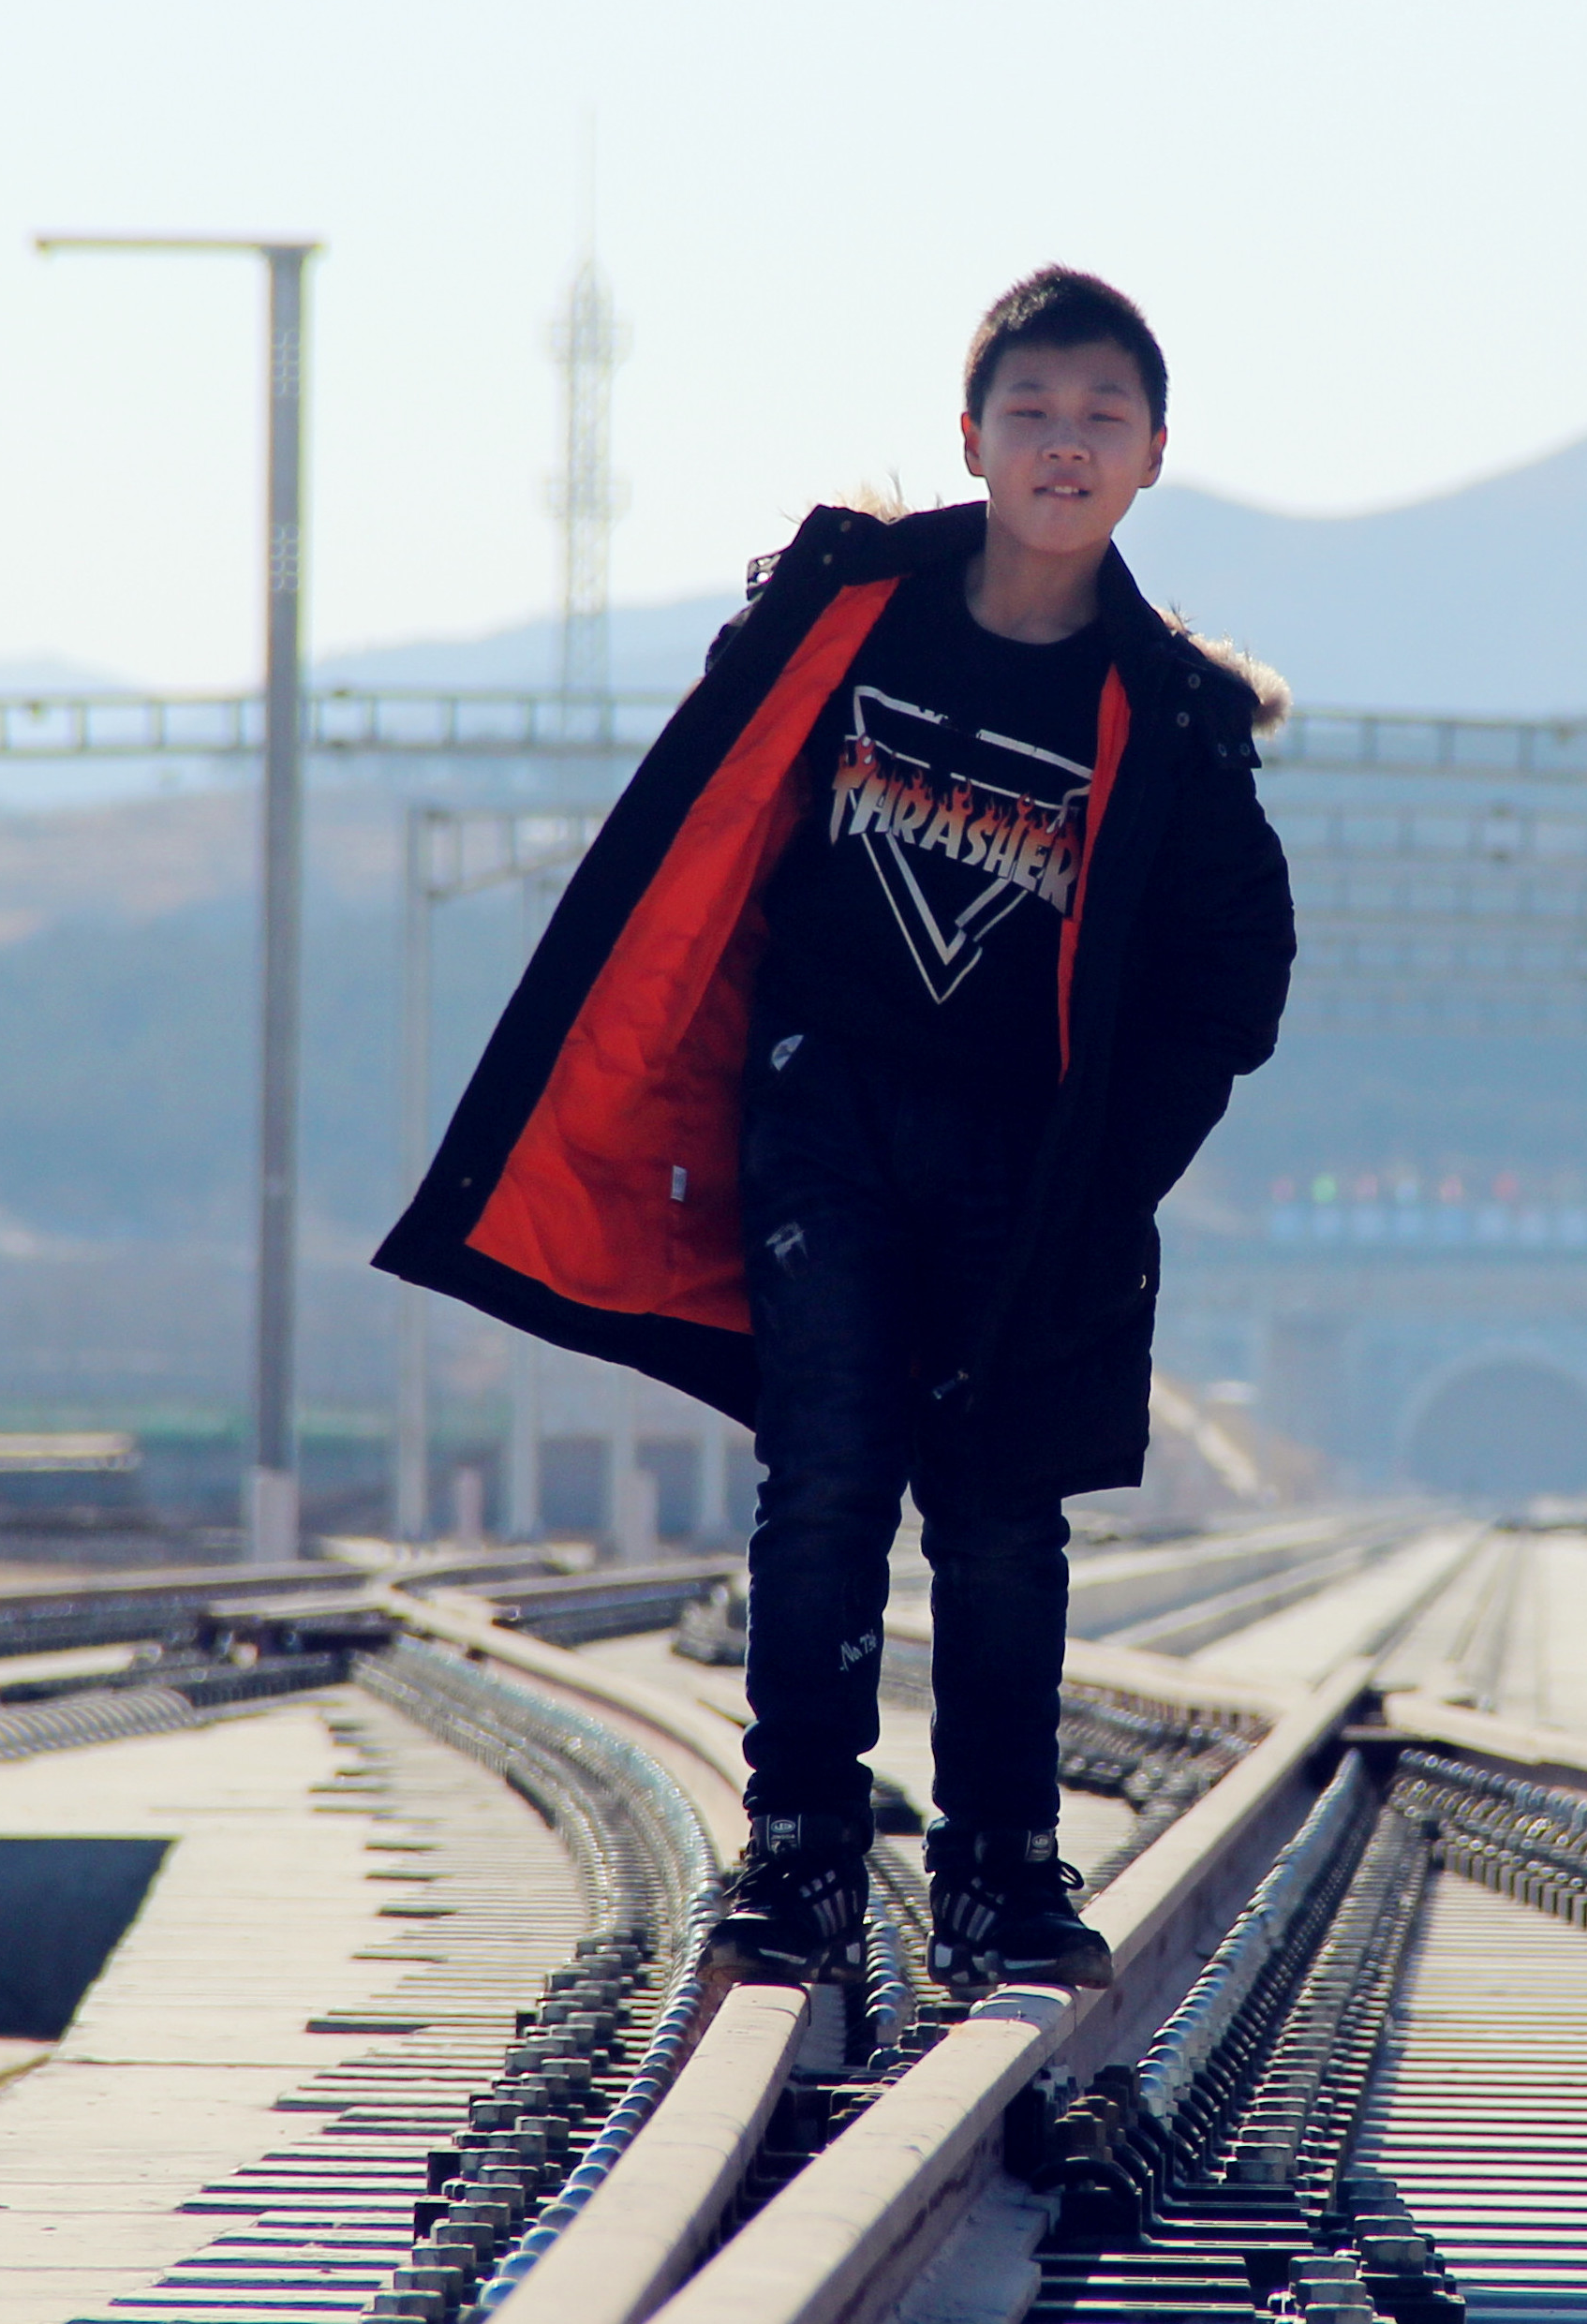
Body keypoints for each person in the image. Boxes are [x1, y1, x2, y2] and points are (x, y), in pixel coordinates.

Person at [378, 266, 1294, 1995]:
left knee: (1003, 1512)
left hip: (1036, 1171)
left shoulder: (1173, 717)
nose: (1066, 443)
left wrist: (1109, 1176)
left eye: (1103, 416)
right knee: (825, 1478)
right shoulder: (852, 615)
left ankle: (1001, 1871)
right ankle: (798, 1848)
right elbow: (716, 806)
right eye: (1032, 410)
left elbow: (1234, 977)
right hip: (828, 1120)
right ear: (973, 436)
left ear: (1155, 454)